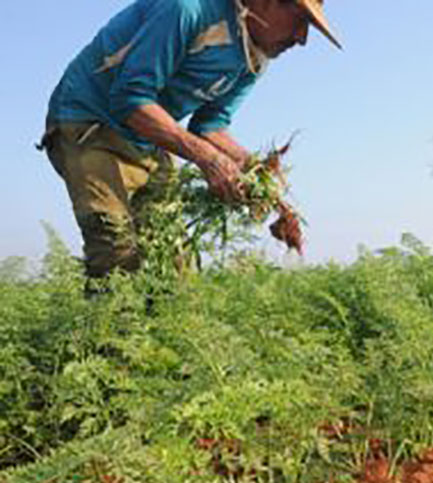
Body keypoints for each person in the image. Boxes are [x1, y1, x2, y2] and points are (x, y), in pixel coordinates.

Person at [40, 0, 341, 278]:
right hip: (91, 123)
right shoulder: (187, 9)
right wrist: (209, 159)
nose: (302, 38)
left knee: (173, 266)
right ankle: (104, 334)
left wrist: (260, 178)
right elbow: (129, 98)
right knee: (116, 253)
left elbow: (210, 127)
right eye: (300, 19)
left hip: (149, 139)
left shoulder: (253, 59)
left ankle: (157, 336)